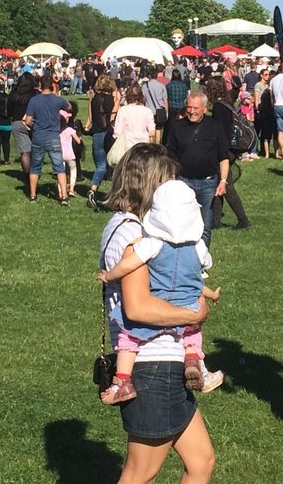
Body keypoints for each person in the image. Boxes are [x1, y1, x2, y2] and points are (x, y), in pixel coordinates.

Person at [99, 143, 215, 484]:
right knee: (140, 474)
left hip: (164, 361)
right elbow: (139, 307)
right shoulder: (133, 234)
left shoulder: (127, 228)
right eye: (169, 183)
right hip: (153, 363)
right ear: (148, 185)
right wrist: (193, 313)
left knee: (201, 461)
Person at [98, 178, 224, 405]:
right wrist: (212, 295)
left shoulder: (151, 244)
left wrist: (109, 275)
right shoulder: (198, 247)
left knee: (128, 338)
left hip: (158, 308)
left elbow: (128, 264)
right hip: (188, 308)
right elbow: (198, 275)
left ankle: (122, 383)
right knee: (192, 335)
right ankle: (196, 365)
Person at [167, 91, 229, 248]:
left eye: (195, 108)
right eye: (189, 107)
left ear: (205, 108)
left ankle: (201, 261)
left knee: (205, 226)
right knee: (181, 223)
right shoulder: (177, 127)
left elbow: (223, 157)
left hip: (208, 183)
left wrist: (223, 180)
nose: (191, 111)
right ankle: (183, 257)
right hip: (183, 181)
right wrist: (170, 175)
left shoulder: (215, 126)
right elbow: (169, 155)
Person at [206, 77, 251, 231]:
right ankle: (216, 220)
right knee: (219, 183)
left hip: (224, 149)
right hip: (230, 148)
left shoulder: (219, 107)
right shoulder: (227, 103)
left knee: (226, 184)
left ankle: (243, 219)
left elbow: (221, 131)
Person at [23, 73, 70, 205]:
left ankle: (33, 195)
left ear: (40, 85)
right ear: (52, 85)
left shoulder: (34, 100)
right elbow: (69, 107)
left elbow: (27, 120)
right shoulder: (57, 100)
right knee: (59, 167)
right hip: (53, 136)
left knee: (35, 167)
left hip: (38, 136)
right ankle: (64, 197)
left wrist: (34, 126)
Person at [86, 75, 119, 209]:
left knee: (100, 165)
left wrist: (86, 127)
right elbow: (113, 118)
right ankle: (114, 194)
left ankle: (93, 189)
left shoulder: (93, 99)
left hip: (97, 133)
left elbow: (91, 116)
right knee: (115, 165)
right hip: (109, 133)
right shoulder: (114, 99)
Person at [10, 72, 39, 194]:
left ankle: (27, 176)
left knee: (24, 152)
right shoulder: (35, 94)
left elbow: (9, 108)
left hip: (17, 122)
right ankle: (35, 173)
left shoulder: (13, 94)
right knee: (36, 150)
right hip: (32, 121)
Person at [113, 83, 156, 158]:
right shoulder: (147, 111)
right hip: (143, 148)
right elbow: (152, 132)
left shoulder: (123, 110)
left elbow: (117, 132)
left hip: (126, 148)